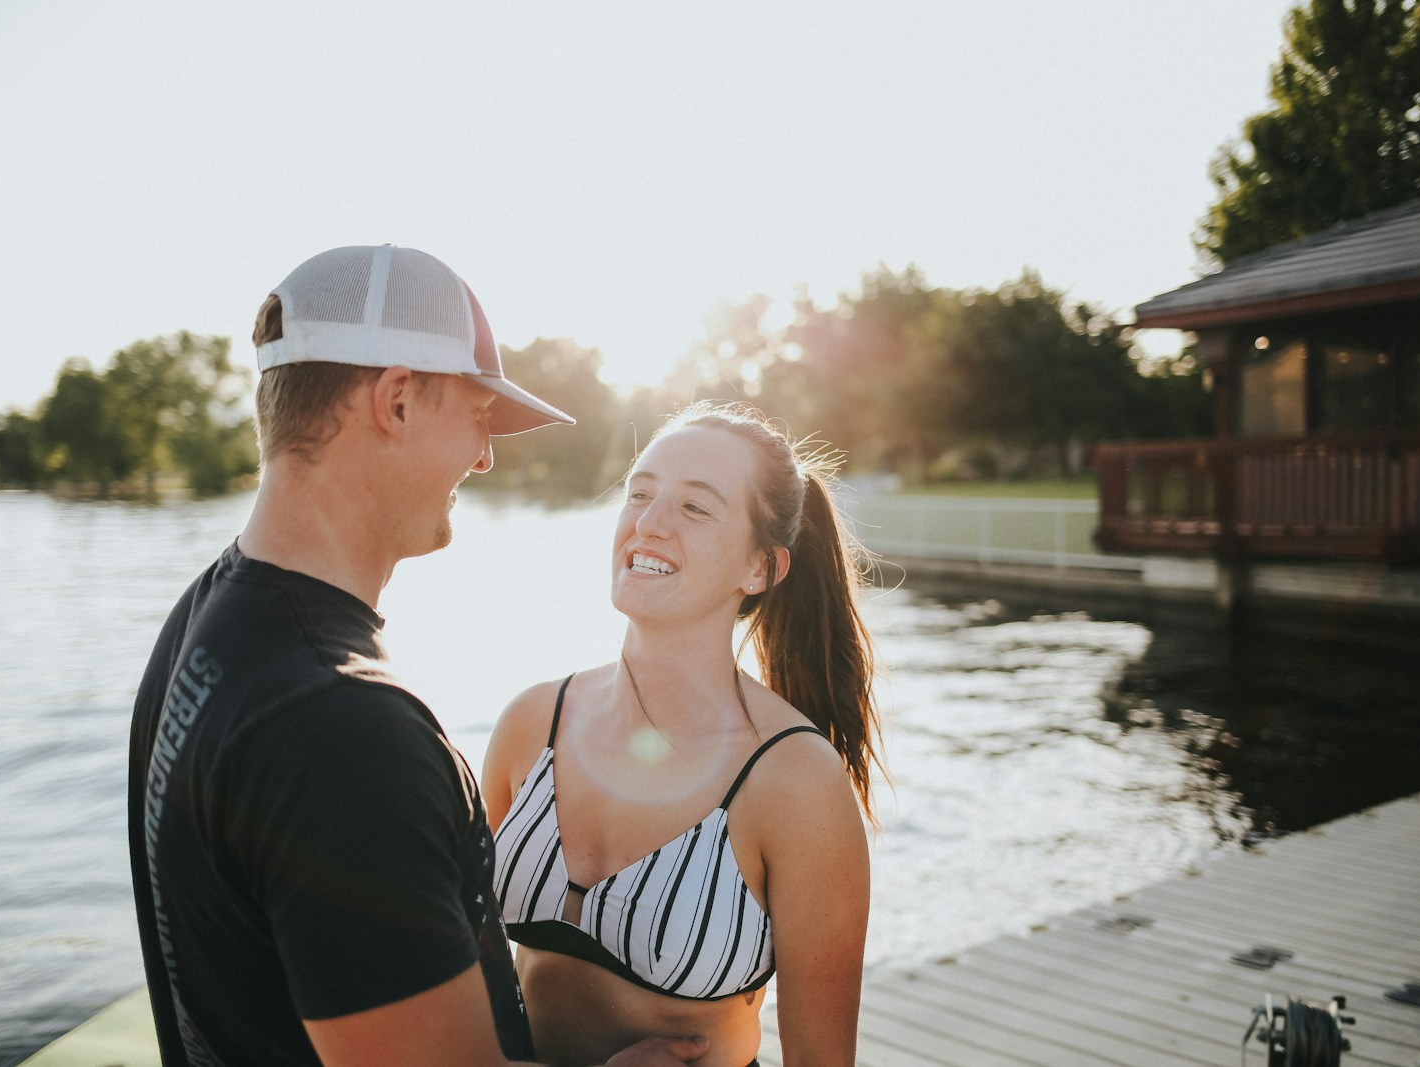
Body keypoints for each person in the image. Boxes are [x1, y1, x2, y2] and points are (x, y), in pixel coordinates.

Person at [128, 244, 709, 1067]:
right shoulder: (340, 728)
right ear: (396, 400)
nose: (484, 457)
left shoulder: (207, 616)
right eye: (477, 416)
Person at [484, 401, 885, 1067]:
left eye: (695, 507)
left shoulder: (794, 780)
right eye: (639, 492)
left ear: (759, 568)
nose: (648, 521)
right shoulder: (532, 722)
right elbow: (471, 983)